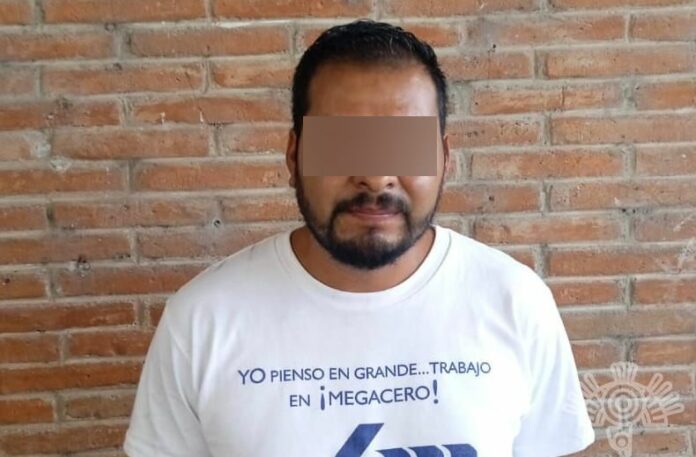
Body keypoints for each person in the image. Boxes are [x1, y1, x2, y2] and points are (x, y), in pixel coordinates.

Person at [123, 19, 595, 457]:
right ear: (294, 156)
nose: (375, 175)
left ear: (444, 159)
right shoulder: (203, 320)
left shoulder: (515, 301)